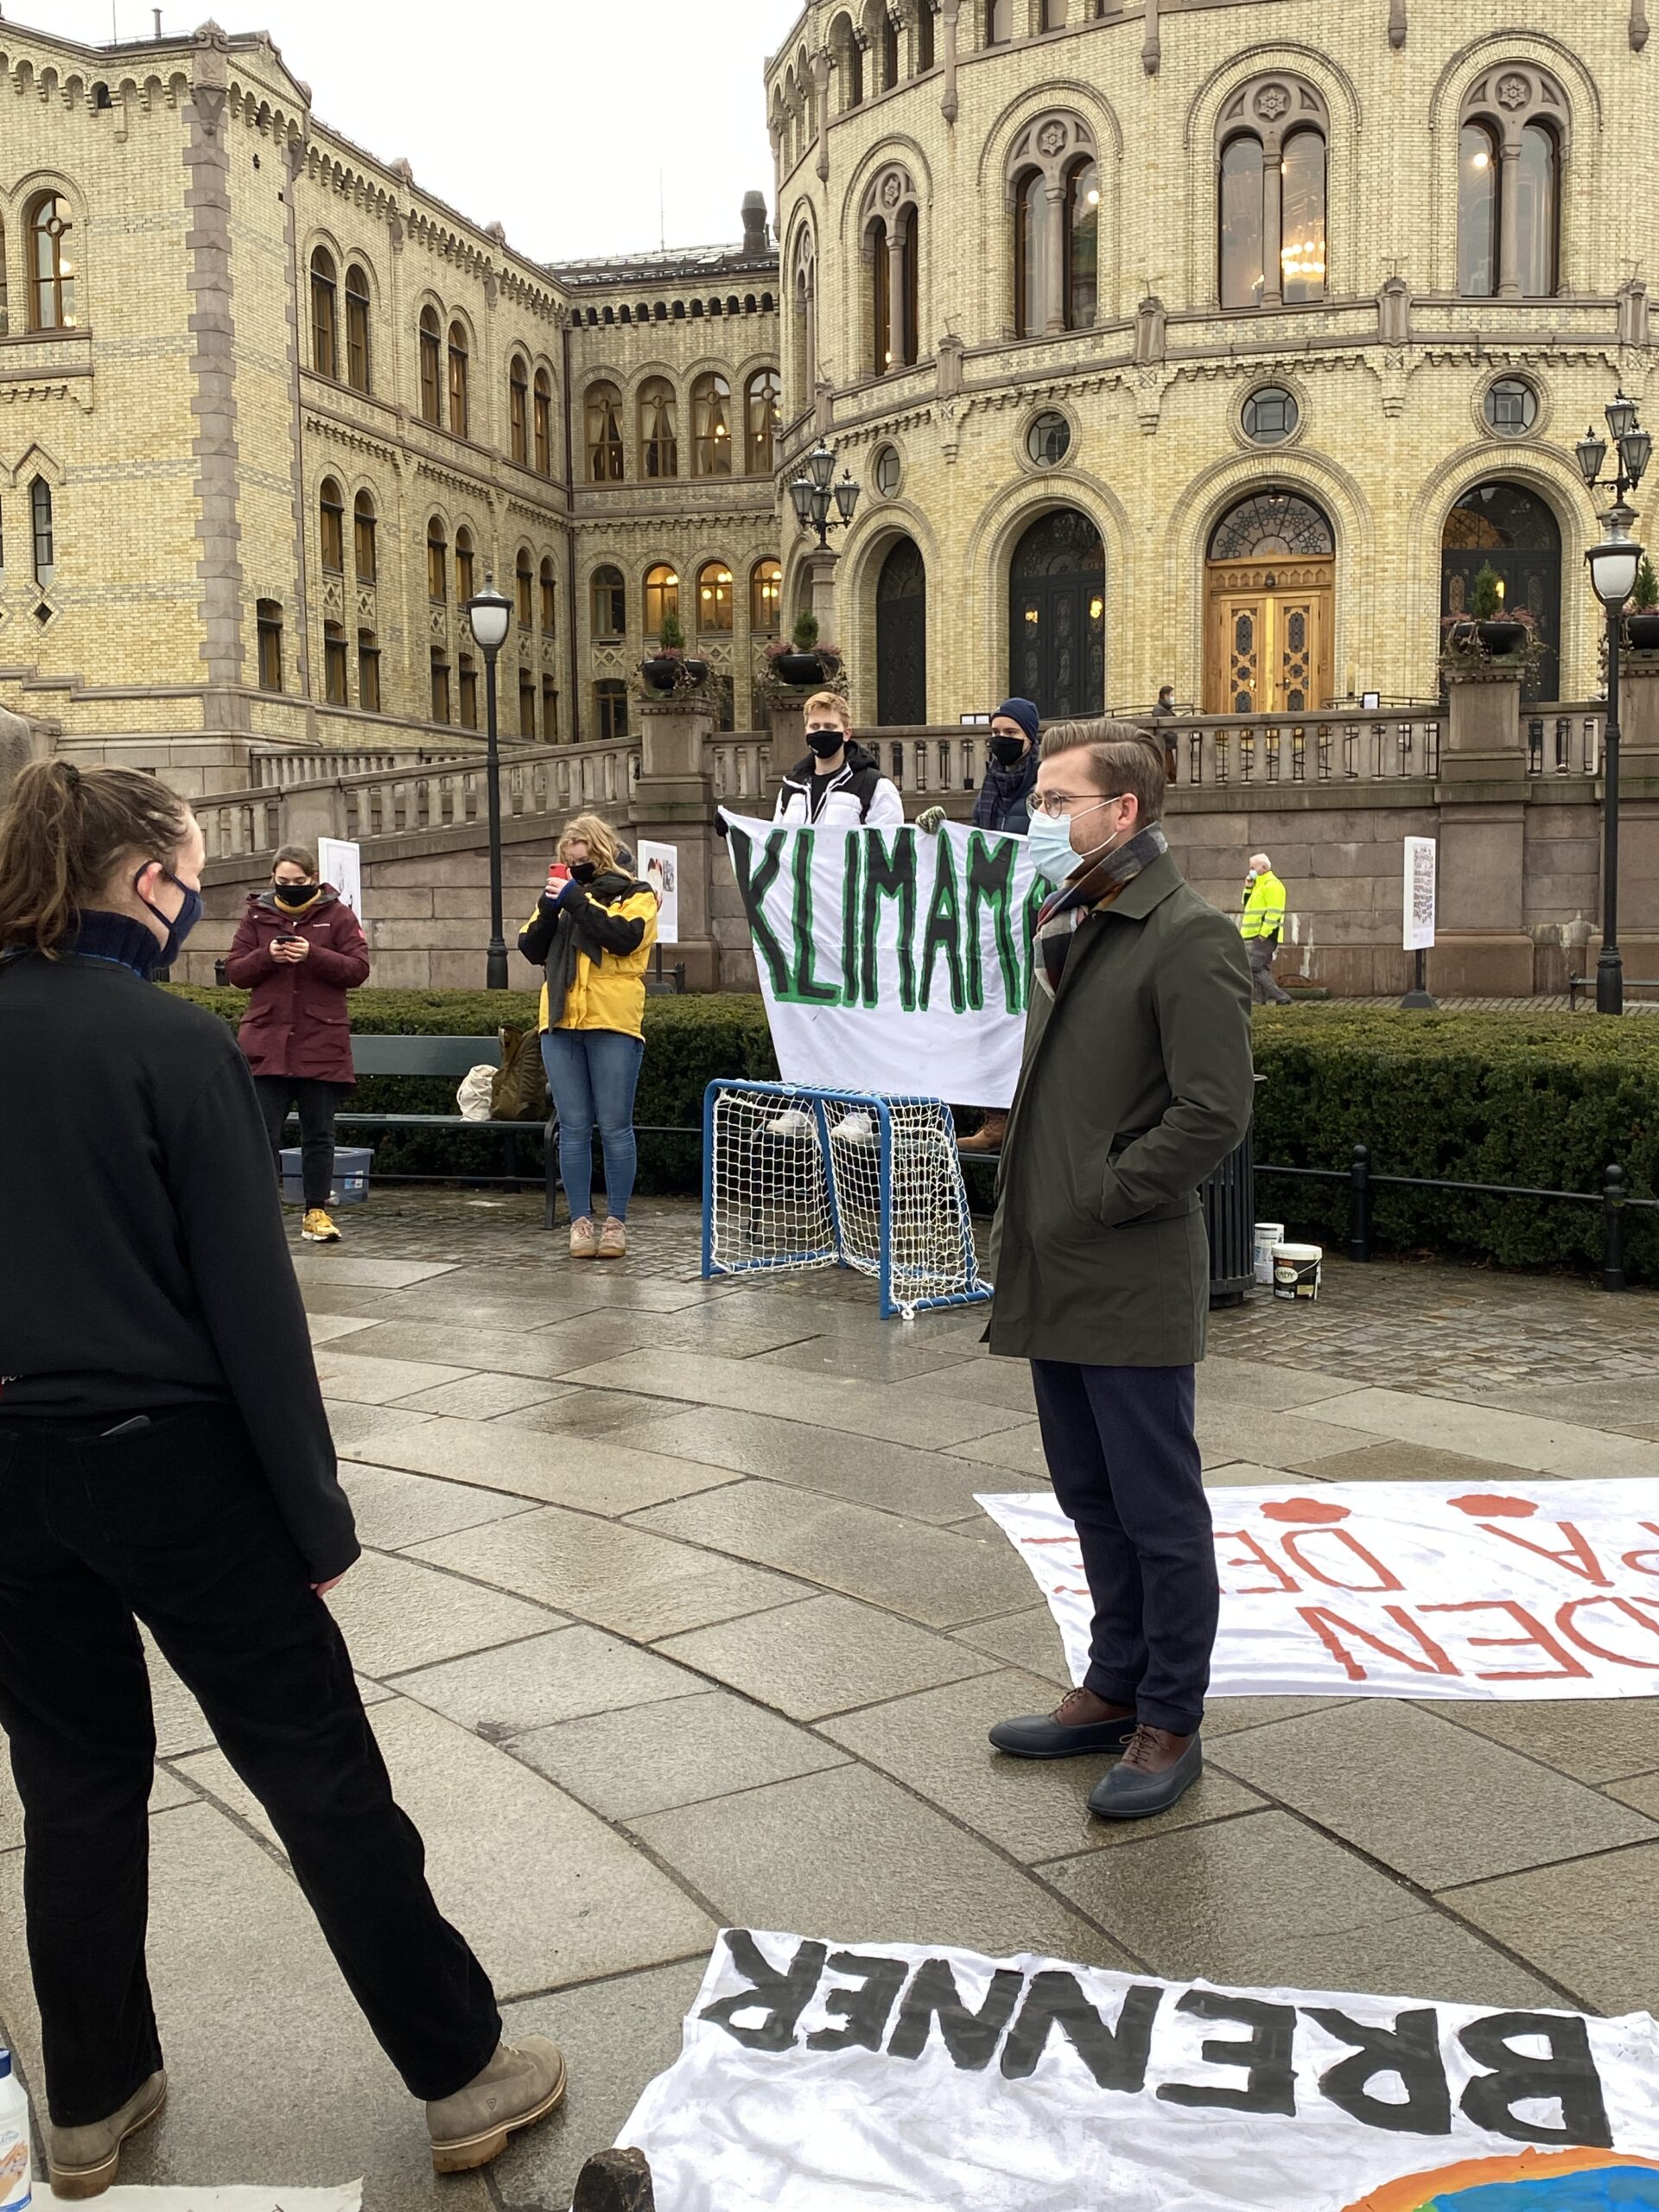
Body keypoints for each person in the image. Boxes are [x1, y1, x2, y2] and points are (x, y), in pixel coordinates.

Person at [0, 761, 564, 2198]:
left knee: (70, 1789)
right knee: (318, 1776)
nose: (201, 904)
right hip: (171, 1464)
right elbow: (254, 1312)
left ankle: (88, 2097)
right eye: (191, 876)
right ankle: (459, 2071)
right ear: (143, 883)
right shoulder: (173, 1045)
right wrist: (313, 1516)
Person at [983, 721, 1254, 1821]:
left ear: (1122, 813)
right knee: (1090, 1497)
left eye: (1057, 801)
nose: (1038, 819)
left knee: (1157, 1508)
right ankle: (1113, 1683)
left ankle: (1169, 1717)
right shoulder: (1075, 921)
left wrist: (1103, 1189)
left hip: (1127, 1266)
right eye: (1039, 800)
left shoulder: (1186, 935)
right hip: (1058, 1265)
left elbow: (1214, 1113)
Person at [518, 811, 658, 1261]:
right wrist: (549, 907)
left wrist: (579, 901)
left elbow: (624, 940)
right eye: (567, 861)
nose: (574, 868)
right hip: (560, 1022)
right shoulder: (560, 897)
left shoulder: (636, 894)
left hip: (612, 1021)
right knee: (573, 1128)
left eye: (581, 860)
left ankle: (616, 1221)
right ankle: (580, 1221)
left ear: (601, 855)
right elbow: (530, 948)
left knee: (615, 1127)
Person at [226, 843, 371, 1245]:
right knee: (260, 1133)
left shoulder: (338, 915)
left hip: (320, 1043)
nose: (290, 888)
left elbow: (358, 969)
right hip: (266, 1043)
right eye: (282, 881)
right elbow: (236, 971)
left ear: (313, 879)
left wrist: (314, 954)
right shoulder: (256, 915)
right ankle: (260, 1213)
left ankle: (316, 1211)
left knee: (318, 1134)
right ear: (272, 878)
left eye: (299, 882)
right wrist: (267, 955)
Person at [950, 699, 1043, 1155]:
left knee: (1032, 1018)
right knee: (994, 1014)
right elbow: (975, 845)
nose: (1001, 740)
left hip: (1034, 922)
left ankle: (1031, 1118)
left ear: (1030, 738)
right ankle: (997, 1118)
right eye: (996, 731)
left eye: (1011, 733)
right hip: (992, 920)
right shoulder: (989, 786)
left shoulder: (1045, 786)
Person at [772, 691, 904, 828]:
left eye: (829, 727)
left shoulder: (876, 787)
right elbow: (776, 842)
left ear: (846, 734)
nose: (821, 732)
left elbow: (888, 843)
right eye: (815, 727)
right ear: (806, 732)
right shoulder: (791, 787)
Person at [1240, 849, 1294, 1003]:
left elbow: (1274, 912)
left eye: (1253, 867)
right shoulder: (1258, 885)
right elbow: (1246, 905)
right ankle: (1261, 1001)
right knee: (1260, 967)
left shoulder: (1273, 886)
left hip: (1263, 936)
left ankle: (1282, 997)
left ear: (1263, 868)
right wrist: (1248, 888)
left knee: (1253, 966)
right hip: (1252, 934)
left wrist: (1264, 933)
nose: (1251, 871)